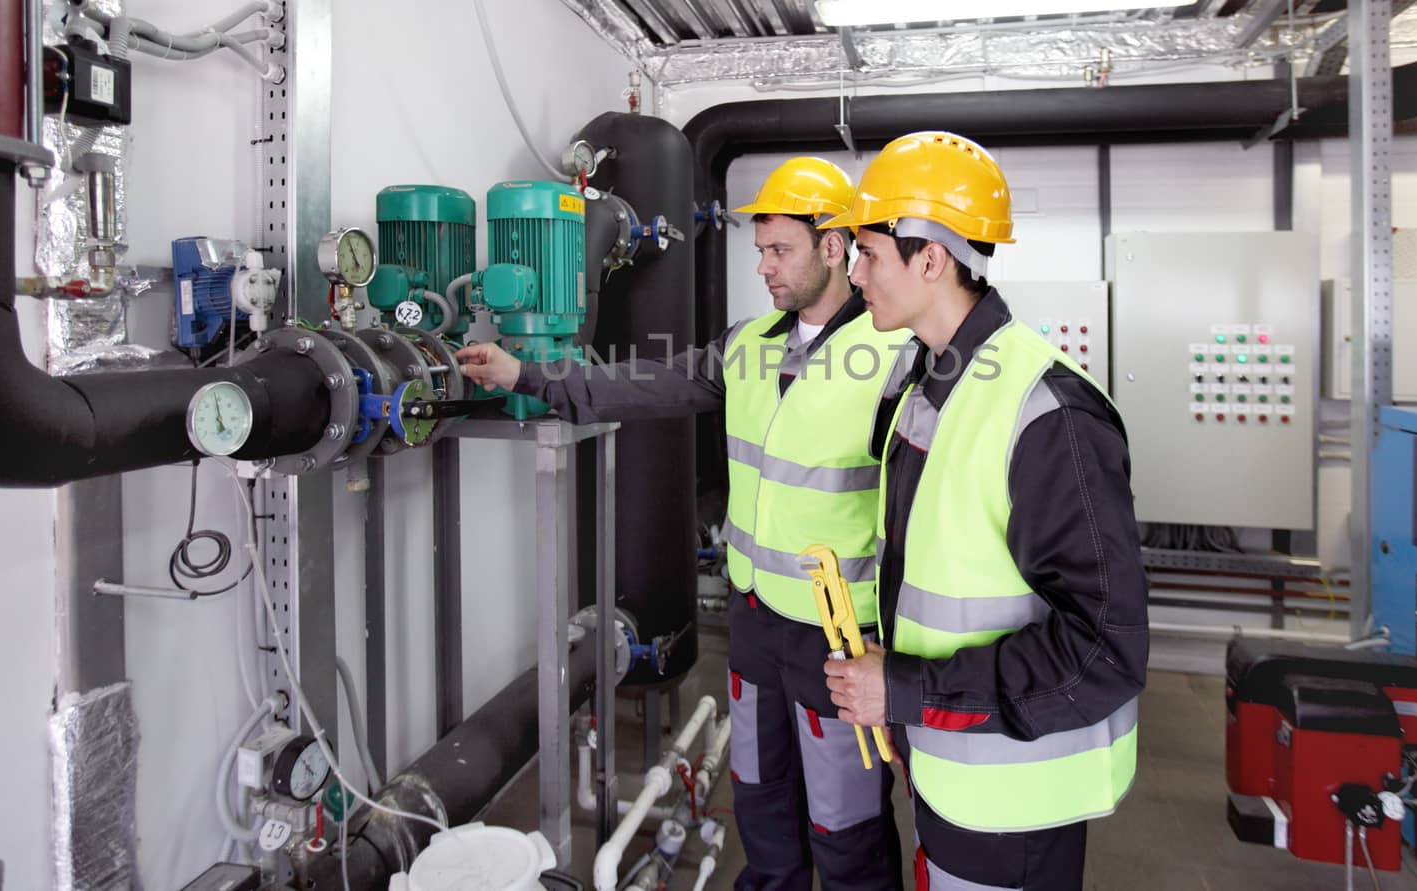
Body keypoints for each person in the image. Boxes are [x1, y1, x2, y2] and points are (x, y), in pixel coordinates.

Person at [455, 157, 911, 891]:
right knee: (762, 811)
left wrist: (905, 652)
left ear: (835, 247)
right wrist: (527, 376)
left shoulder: (899, 356)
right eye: (759, 249)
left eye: (778, 249)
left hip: (842, 640)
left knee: (846, 828)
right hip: (756, 626)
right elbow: (639, 382)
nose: (761, 266)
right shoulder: (749, 343)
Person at [817, 132, 1149, 891]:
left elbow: (1103, 650)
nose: (853, 270)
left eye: (868, 252)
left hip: (1017, 801)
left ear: (930, 259)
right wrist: (904, 705)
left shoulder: (1048, 413)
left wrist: (905, 689)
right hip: (947, 765)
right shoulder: (929, 383)